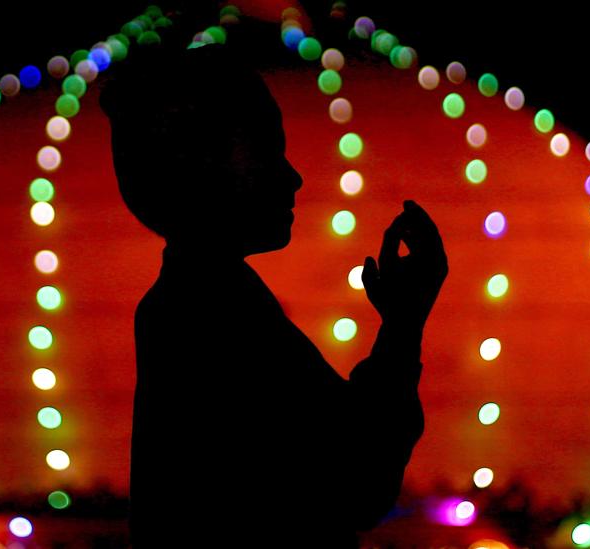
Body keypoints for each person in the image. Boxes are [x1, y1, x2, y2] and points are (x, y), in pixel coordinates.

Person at [99, 42, 447, 548]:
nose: (292, 176)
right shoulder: (214, 319)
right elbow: (358, 482)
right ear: (199, 167)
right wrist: (404, 325)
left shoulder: (186, 302)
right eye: (265, 152)